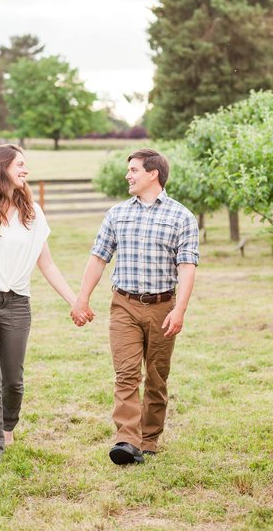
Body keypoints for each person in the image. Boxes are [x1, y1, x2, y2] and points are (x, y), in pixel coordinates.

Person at [0, 144, 82, 463]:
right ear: (1, 168)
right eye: (20, 164)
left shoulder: (31, 214)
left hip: (17, 303)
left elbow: (46, 264)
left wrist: (75, 301)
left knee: (13, 380)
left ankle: (8, 426)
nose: (26, 170)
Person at [71, 148, 198, 465]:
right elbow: (99, 257)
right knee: (126, 374)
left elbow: (187, 267)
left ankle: (149, 438)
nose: (128, 175)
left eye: (133, 170)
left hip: (162, 306)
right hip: (123, 305)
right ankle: (126, 440)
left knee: (156, 376)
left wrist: (179, 309)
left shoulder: (181, 217)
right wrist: (82, 298)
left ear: (152, 173)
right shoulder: (116, 214)